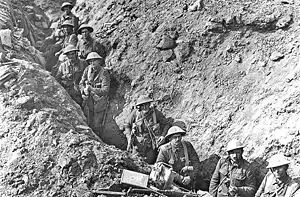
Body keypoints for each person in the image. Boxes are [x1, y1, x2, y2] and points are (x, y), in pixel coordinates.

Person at [124, 95, 171, 164]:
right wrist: (128, 137)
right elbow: (127, 125)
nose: (145, 107)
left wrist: (163, 136)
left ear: (149, 104)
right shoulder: (135, 114)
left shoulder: (156, 113)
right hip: (137, 146)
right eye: (143, 105)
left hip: (151, 147)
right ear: (139, 106)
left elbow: (166, 124)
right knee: (134, 164)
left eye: (147, 104)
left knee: (149, 165)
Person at [156, 126, 201, 190]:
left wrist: (190, 177)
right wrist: (178, 177)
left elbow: (197, 164)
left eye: (179, 136)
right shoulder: (164, 150)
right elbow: (159, 166)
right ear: (170, 138)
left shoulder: (187, 146)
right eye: (175, 137)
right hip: (171, 182)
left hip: (188, 180)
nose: (177, 139)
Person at [79, 52, 110, 133]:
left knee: (97, 124)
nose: (92, 63)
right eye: (90, 61)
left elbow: (105, 90)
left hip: (99, 101)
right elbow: (81, 83)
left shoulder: (104, 72)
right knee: (87, 122)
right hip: (88, 101)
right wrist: (83, 90)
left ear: (99, 61)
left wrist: (92, 89)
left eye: (94, 60)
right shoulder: (87, 69)